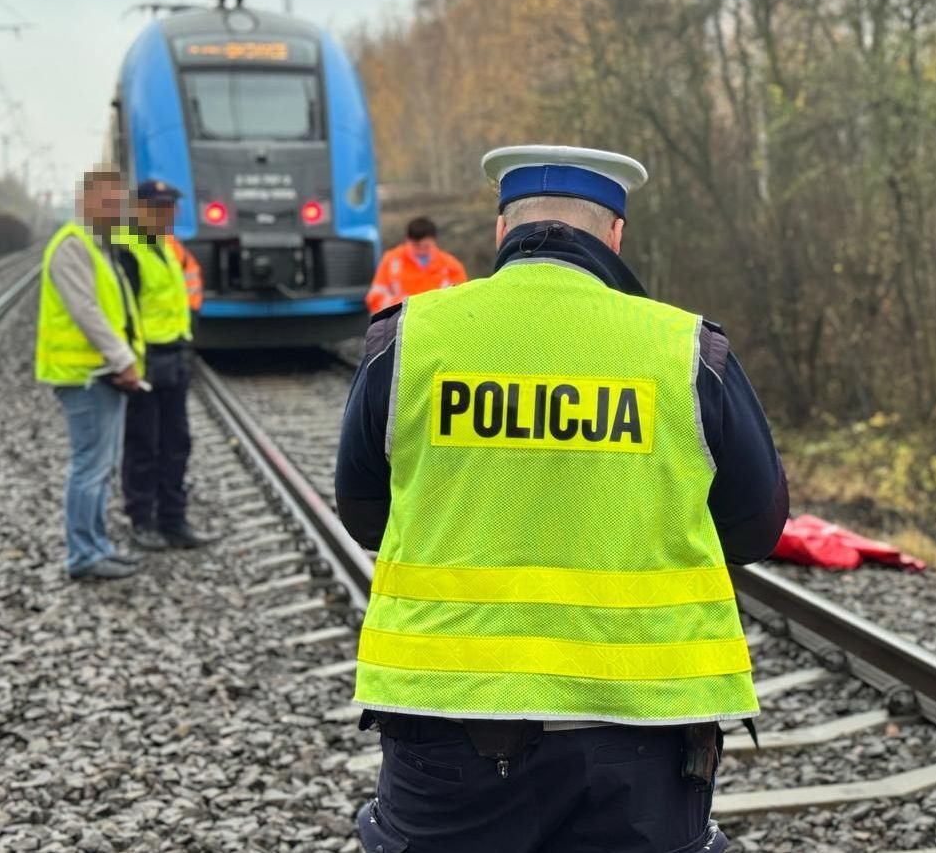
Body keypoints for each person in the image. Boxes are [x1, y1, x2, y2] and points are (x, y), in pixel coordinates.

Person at [336, 145, 788, 853]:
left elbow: (363, 512)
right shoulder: (688, 349)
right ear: (614, 235)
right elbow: (757, 528)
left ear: (500, 232)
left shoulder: (405, 338)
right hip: (643, 727)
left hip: (446, 722)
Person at [34, 168, 146, 580]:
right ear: (84, 200)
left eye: (119, 201)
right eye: (108, 201)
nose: (116, 208)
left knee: (102, 465)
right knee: (89, 466)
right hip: (83, 376)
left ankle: (97, 546)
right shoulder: (72, 246)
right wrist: (123, 360)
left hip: (99, 373)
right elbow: (87, 312)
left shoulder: (99, 246)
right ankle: (82, 555)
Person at [114, 180, 210, 550]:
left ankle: (173, 519)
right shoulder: (127, 249)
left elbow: (179, 300)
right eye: (159, 209)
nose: (167, 215)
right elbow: (123, 312)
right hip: (145, 363)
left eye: (170, 209)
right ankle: (142, 521)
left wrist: (188, 339)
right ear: (138, 209)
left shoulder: (168, 248)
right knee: (144, 444)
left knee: (176, 443)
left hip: (174, 357)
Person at [364, 216, 468, 314]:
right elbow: (374, 299)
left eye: (426, 246)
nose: (421, 250)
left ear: (434, 241)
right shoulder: (391, 261)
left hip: (439, 323)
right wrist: (402, 305)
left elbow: (463, 299)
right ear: (408, 240)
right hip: (402, 324)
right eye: (416, 246)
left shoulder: (451, 265)